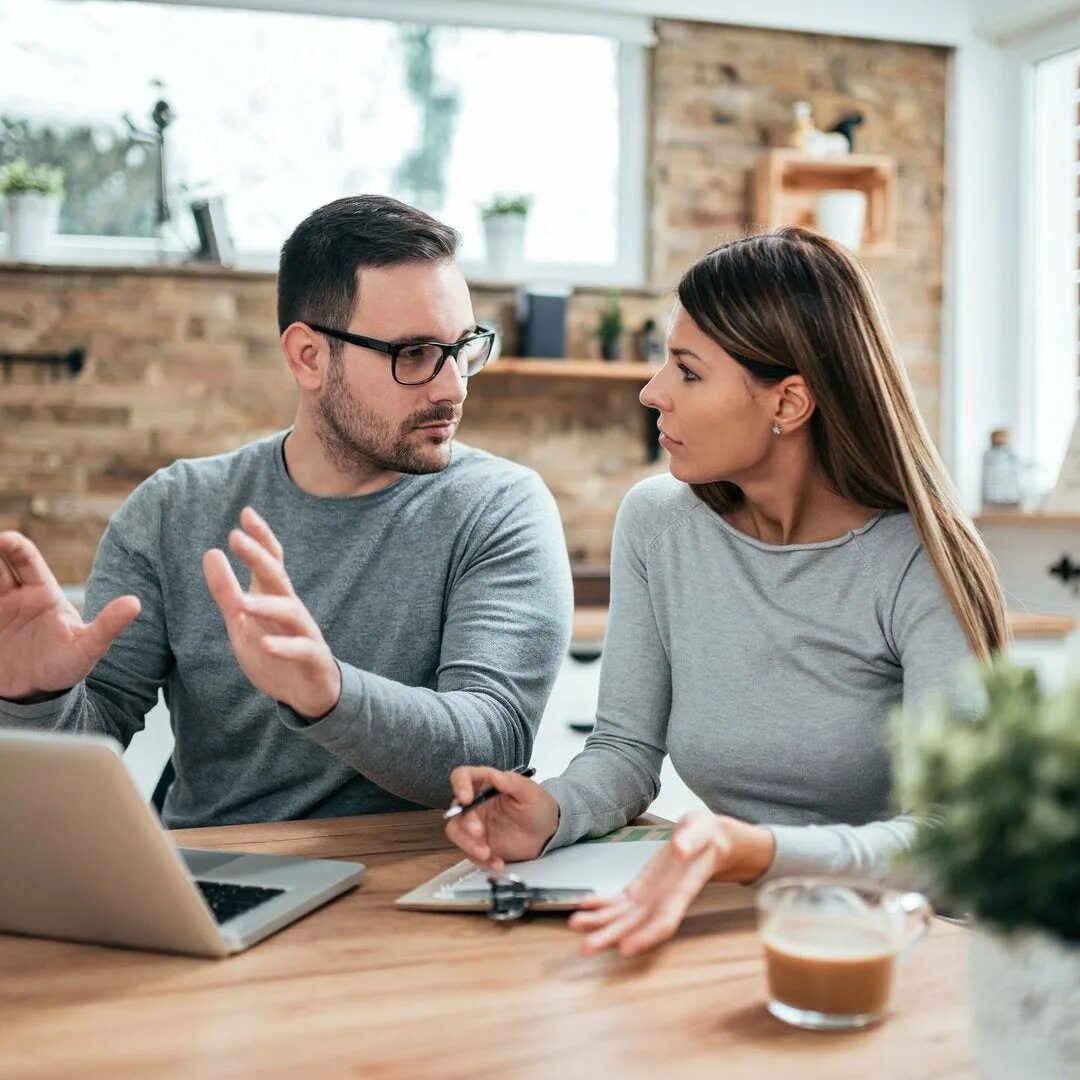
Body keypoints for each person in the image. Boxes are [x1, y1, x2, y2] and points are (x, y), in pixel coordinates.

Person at [446, 226, 1005, 957]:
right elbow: (624, 750)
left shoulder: (916, 564)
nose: (653, 394)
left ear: (789, 403)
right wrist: (550, 811)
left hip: (902, 945)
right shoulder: (659, 524)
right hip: (740, 921)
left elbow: (951, 839)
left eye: (688, 371)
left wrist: (755, 852)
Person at [0, 195, 573, 827]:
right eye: (412, 353)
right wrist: (32, 696)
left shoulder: (498, 508)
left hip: (410, 888)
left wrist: (327, 691)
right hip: (218, 877)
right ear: (308, 357)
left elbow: (493, 743)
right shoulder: (173, 510)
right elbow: (89, 738)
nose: (452, 386)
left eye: (462, 347)